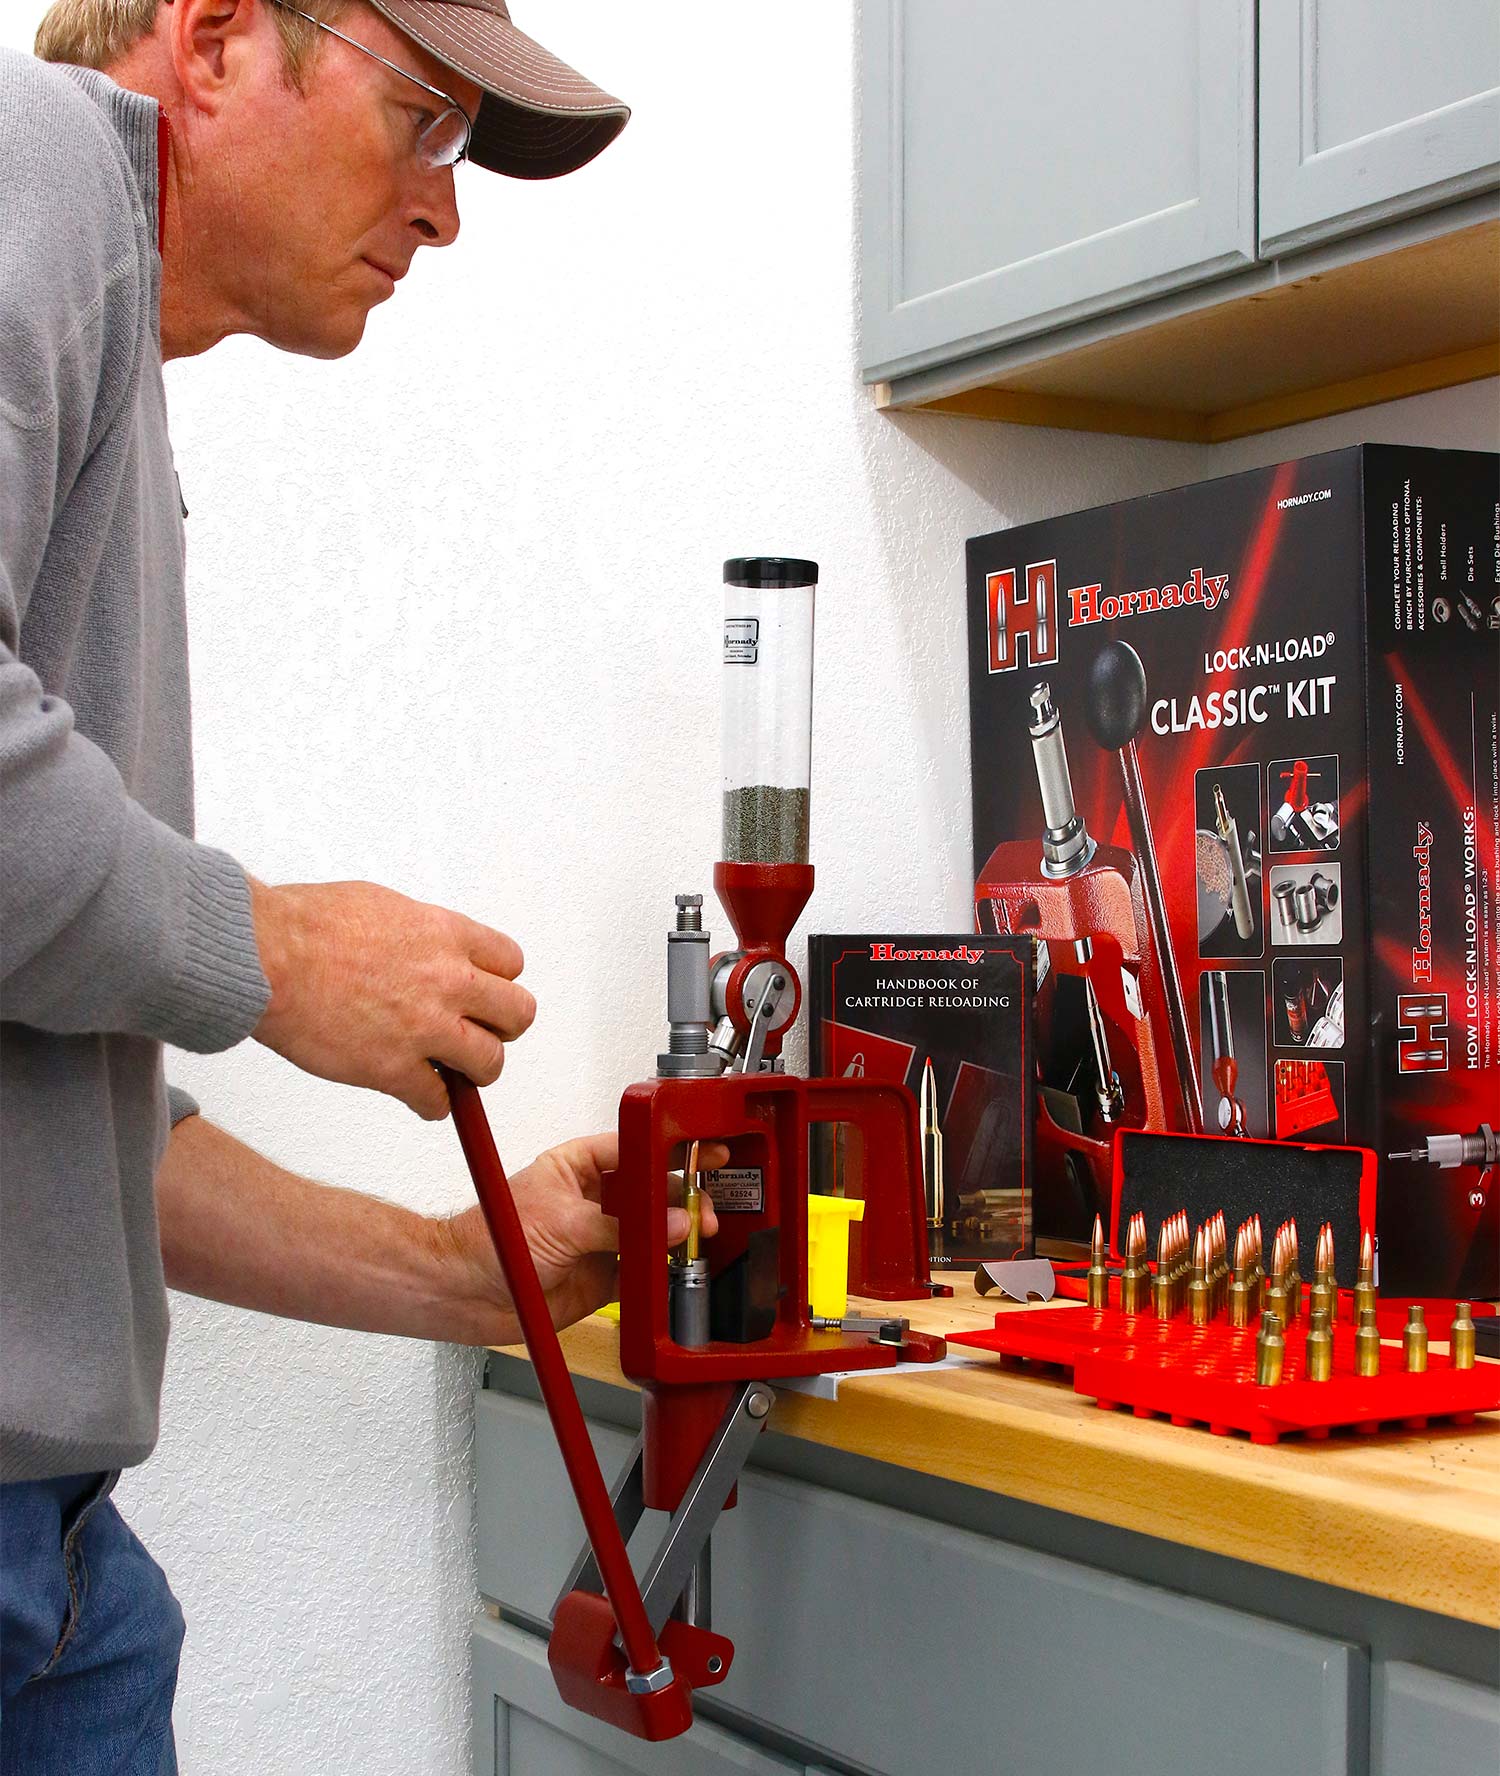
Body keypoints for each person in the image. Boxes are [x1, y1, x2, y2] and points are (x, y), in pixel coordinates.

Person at [0, 3, 716, 1766]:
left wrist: (451, 1273)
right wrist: (277, 950)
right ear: (220, 35)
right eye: (426, 126)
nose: (445, 212)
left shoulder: (123, 413)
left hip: (56, 1552)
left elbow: (65, 1138)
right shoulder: (34, 164)